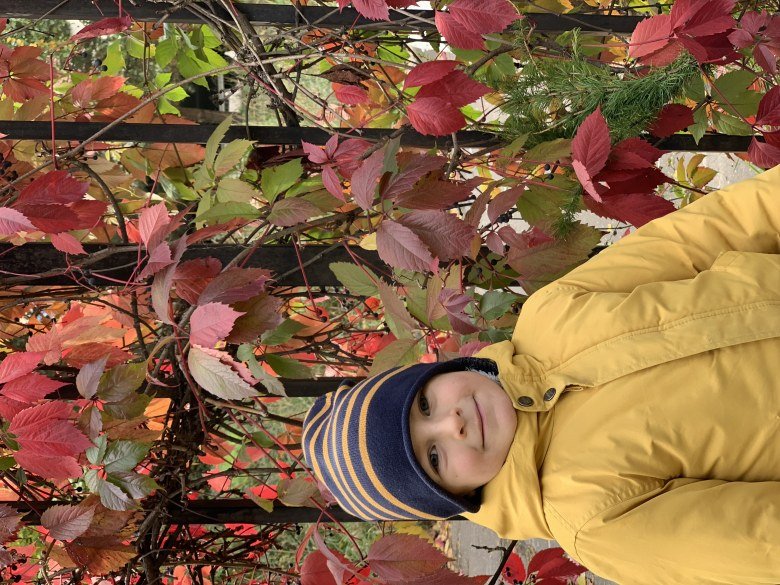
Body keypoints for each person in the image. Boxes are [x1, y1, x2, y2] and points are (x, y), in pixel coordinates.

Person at [302, 164, 780, 585]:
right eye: (434, 456)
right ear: (459, 497)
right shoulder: (593, 518)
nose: (452, 424)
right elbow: (764, 541)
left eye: (424, 405)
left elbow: (704, 235)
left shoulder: (550, 317)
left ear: (431, 375)